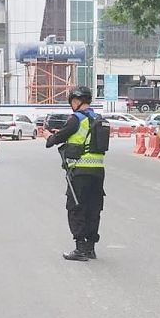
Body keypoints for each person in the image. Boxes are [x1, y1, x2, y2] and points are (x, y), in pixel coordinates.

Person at [45, 86, 107, 261]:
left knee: (76, 208)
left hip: (80, 172)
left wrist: (48, 137)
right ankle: (90, 248)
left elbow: (55, 141)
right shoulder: (98, 118)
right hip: (98, 172)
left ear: (77, 101)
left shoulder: (76, 118)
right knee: (93, 208)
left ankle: (80, 248)